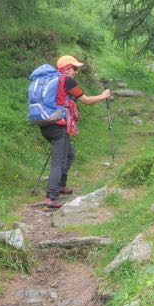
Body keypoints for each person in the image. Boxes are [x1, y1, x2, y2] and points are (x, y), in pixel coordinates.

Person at [41, 54, 111, 209]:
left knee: (69, 153)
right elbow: (85, 100)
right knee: (58, 161)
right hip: (58, 124)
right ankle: (51, 197)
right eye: (74, 68)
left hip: (45, 123)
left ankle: (61, 185)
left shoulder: (50, 80)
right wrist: (103, 95)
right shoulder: (66, 80)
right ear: (66, 69)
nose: (76, 72)